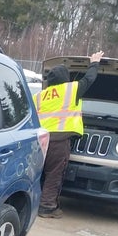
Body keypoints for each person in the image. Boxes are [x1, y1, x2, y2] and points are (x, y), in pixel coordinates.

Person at [32, 50, 104, 218]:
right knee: (54, 175)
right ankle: (48, 207)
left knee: (38, 173)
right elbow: (89, 79)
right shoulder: (70, 90)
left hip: (40, 141)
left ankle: (34, 203)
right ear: (66, 78)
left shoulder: (40, 96)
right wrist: (94, 63)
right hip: (59, 141)